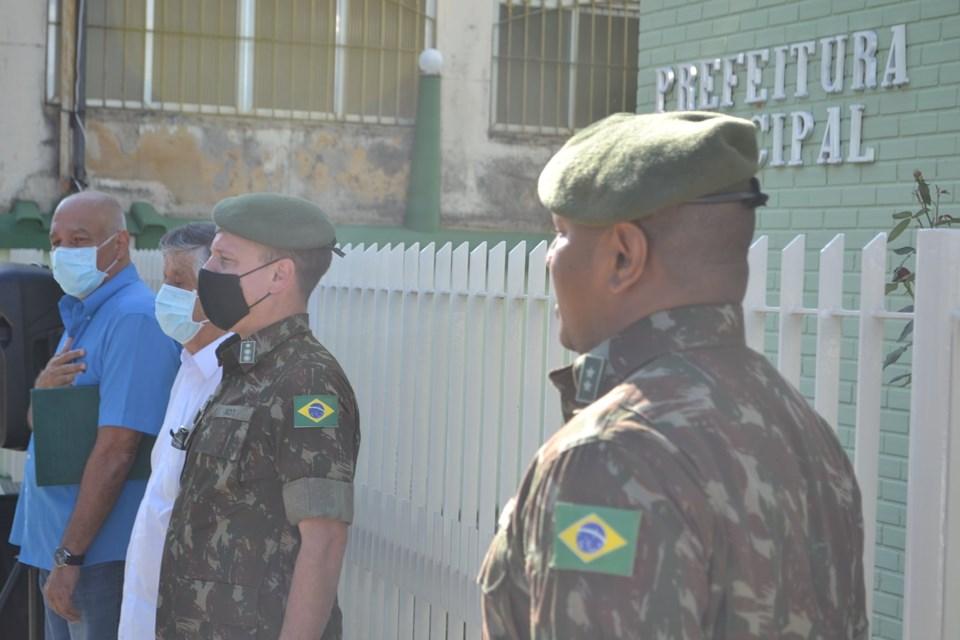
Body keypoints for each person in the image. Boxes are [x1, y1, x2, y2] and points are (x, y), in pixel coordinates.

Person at [478, 112, 868, 639]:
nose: (549, 259)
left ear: (624, 255)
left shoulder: (613, 453)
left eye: (561, 233)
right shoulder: (799, 427)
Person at [156, 193, 361, 639]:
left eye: (224, 260)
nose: (208, 272)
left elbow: (323, 542)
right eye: (211, 257)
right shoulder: (244, 367)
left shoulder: (306, 381)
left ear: (278, 276)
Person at [9, 190, 180, 639]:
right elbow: (39, 423)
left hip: (97, 558)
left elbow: (118, 450)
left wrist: (71, 557)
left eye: (79, 239)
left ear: (119, 245)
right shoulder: (83, 315)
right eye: (57, 241)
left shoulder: (134, 320)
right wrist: (40, 392)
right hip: (62, 550)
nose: (64, 252)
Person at [118, 222, 228, 639]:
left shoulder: (231, 378)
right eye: (165, 281)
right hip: (151, 603)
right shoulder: (188, 367)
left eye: (178, 283)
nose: (165, 296)